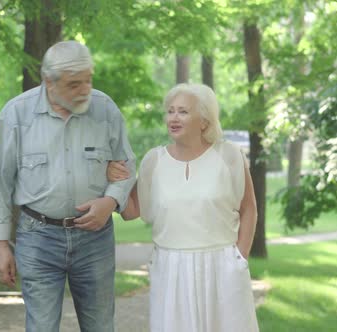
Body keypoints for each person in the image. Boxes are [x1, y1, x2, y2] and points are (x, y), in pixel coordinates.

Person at [0, 40, 136, 332]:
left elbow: (127, 165)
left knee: (101, 327)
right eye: (74, 84)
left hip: (95, 240)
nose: (85, 90)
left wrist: (110, 201)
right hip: (38, 238)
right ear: (49, 83)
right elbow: (1, 183)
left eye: (89, 80)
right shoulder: (16, 115)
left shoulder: (105, 109)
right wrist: (1, 244)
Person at [108, 83, 259, 331]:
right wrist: (115, 179)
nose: (173, 118)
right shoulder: (153, 160)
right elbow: (131, 210)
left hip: (222, 266)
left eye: (183, 112)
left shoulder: (229, 155)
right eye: (170, 111)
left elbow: (249, 208)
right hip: (171, 268)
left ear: (204, 121)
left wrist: (239, 258)